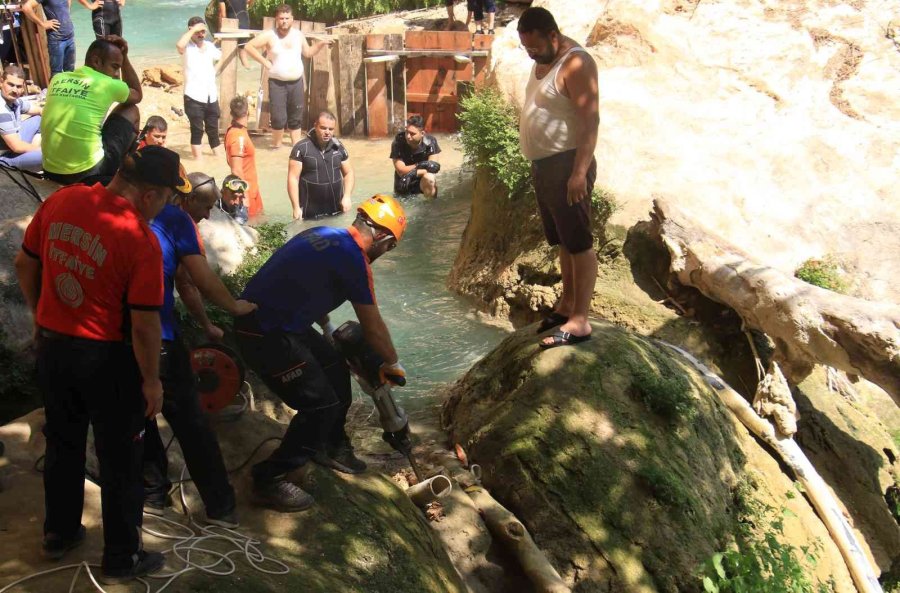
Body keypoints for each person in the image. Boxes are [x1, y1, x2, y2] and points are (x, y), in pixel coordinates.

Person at [13, 146, 191, 583]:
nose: (167, 204)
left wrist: (41, 317)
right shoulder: (140, 238)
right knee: (120, 461)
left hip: (54, 350)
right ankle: (120, 559)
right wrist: (152, 381)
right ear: (150, 195)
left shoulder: (61, 200)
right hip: (108, 360)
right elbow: (146, 326)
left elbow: (24, 264)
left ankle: (58, 533)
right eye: (169, 195)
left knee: (63, 444)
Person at [234, 194, 409, 511]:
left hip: (280, 322)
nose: (385, 254)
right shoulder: (355, 260)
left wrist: (328, 331)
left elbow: (304, 285)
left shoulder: (325, 235)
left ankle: (328, 444)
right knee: (320, 405)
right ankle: (268, 479)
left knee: (334, 366)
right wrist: (393, 364)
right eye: (390, 247)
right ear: (382, 237)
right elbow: (373, 326)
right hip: (265, 332)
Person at [142, 172, 256, 527]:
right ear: (187, 199)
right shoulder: (177, 219)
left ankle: (152, 498)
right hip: (158, 337)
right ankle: (221, 507)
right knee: (193, 425)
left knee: (142, 419)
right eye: (206, 205)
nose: (208, 214)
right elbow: (199, 278)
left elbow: (184, 285)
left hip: (125, 337)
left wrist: (206, 326)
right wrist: (235, 307)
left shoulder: (138, 213)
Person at [518, 7, 599, 349]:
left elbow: (590, 120)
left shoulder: (577, 63)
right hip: (545, 166)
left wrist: (579, 172)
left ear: (553, 35)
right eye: (526, 48)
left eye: (535, 47)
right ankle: (566, 306)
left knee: (579, 243)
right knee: (564, 241)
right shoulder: (544, 59)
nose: (531, 54)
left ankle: (580, 320)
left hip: (568, 165)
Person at [40, 37, 142, 185]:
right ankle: (119, 175)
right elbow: (137, 94)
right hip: (88, 172)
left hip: (51, 171)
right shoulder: (107, 84)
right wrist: (125, 57)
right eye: (114, 67)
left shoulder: (58, 78)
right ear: (96, 61)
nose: (115, 74)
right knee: (130, 109)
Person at [241, 4, 331, 149]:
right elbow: (248, 47)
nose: (284, 21)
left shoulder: (298, 35)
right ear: (276, 19)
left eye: (287, 18)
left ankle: (296, 147)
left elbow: (307, 53)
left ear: (292, 19)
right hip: (277, 83)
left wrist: (320, 44)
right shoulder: (269, 35)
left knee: (295, 117)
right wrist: (264, 61)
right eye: (281, 18)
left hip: (296, 82)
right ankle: (277, 147)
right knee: (278, 118)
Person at [287, 111, 354, 221]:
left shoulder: (338, 147)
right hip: (309, 214)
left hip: (337, 210)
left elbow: (348, 173)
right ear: (315, 126)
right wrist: (295, 207)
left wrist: (347, 196)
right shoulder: (301, 148)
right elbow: (293, 178)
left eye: (331, 129)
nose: (327, 132)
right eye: (323, 128)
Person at [177, 17, 222, 159]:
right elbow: (179, 45)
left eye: (203, 31)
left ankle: (219, 159)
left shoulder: (209, 46)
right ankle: (199, 161)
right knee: (197, 131)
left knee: (213, 130)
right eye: (198, 32)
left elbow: (221, 57)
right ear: (190, 31)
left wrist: (214, 71)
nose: (201, 34)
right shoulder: (187, 48)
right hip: (193, 96)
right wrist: (193, 31)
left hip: (211, 95)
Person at [224, 95, 263, 218]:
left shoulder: (237, 130)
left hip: (252, 189)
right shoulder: (238, 137)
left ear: (231, 113)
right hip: (247, 192)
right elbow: (236, 169)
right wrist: (244, 195)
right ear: (248, 112)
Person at [0, 65, 43, 171]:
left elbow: (37, 110)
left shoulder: (14, 101)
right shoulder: (2, 110)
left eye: (19, 86)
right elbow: (17, 146)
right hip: (4, 155)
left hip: (12, 144)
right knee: (49, 157)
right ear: (1, 82)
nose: (15, 90)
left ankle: (28, 157)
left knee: (39, 120)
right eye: (11, 85)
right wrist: (41, 150)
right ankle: (13, 163)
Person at [390, 115, 441, 198]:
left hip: (421, 181)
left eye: (412, 134)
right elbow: (401, 171)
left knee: (430, 178)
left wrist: (413, 173)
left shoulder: (430, 142)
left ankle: (431, 207)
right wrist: (420, 165)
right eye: (407, 132)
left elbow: (433, 168)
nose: (408, 136)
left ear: (422, 133)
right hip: (403, 182)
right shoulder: (398, 141)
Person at [21, 0, 75, 78]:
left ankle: (70, 89)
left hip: (70, 36)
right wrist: (42, 23)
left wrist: (67, 13)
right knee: (57, 73)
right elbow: (26, 8)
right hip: (57, 39)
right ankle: (54, 89)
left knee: (70, 71)